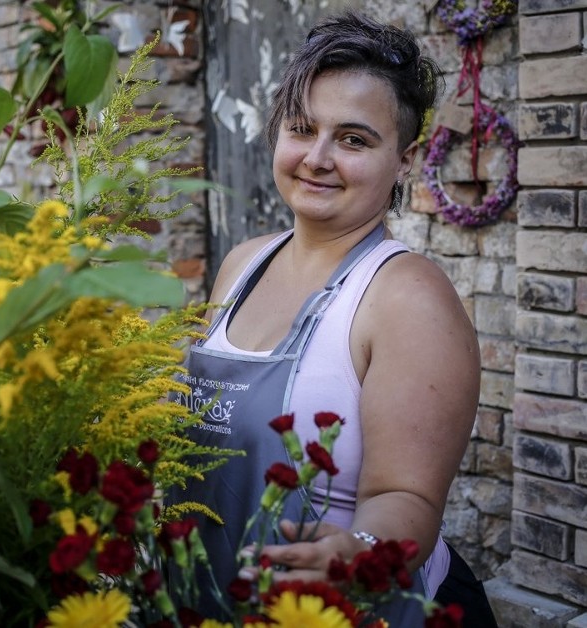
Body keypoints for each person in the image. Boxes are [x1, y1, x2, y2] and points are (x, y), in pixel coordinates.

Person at [167, 11, 497, 626]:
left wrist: (359, 552)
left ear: (403, 159)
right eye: (302, 129)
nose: (317, 158)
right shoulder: (241, 265)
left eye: (353, 139)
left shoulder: (406, 296)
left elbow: (408, 498)